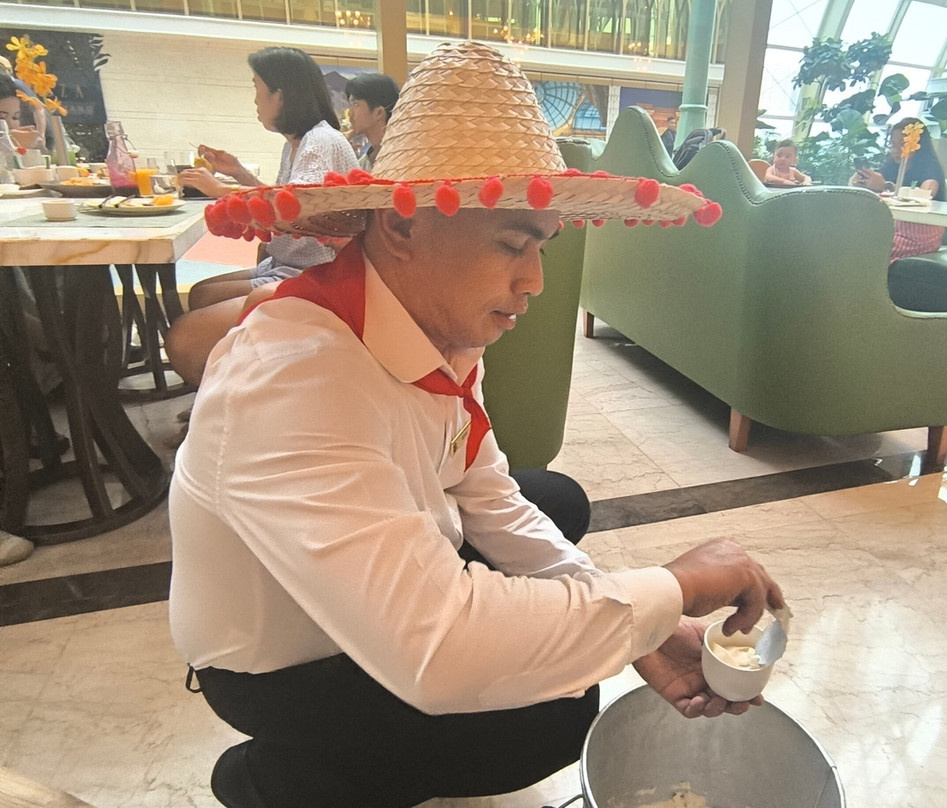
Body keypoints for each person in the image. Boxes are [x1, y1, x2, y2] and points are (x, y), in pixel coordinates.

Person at [169, 40, 776, 808]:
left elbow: (482, 488)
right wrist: (669, 589)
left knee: (551, 502)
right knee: (556, 712)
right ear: (402, 227)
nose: (535, 281)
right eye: (513, 244)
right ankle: (282, 778)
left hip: (360, 572)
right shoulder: (296, 378)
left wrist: (638, 629)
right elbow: (436, 648)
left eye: (541, 246)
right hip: (281, 661)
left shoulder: (441, 328)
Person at [166, 46, 359, 387]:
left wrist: (221, 191)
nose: (255, 100)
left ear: (280, 94)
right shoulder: (300, 142)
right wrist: (238, 173)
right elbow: (287, 201)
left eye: (257, 88)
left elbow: (296, 208)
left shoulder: (319, 141)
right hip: (288, 262)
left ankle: (234, 394)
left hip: (315, 270)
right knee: (199, 294)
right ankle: (225, 389)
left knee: (183, 340)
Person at [850, 117, 946, 262]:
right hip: (891, 228)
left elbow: (926, 196)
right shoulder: (891, 167)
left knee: (863, 246)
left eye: (903, 144)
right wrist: (860, 181)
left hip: (919, 234)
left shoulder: (930, 169)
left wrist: (886, 186)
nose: (896, 150)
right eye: (893, 144)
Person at [344, 72, 399, 170]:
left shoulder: (401, 155)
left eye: (355, 104)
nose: (349, 113)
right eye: (350, 105)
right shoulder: (365, 161)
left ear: (378, 113)